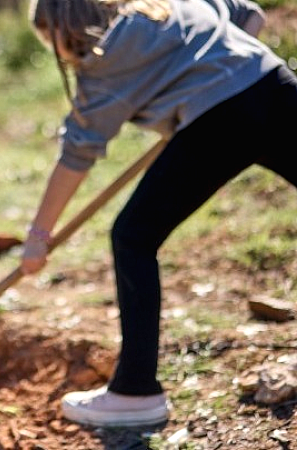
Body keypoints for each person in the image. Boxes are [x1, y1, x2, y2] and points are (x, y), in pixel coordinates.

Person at [22, 0, 295, 428]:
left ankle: (135, 393)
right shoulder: (168, 5)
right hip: (274, 82)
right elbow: (249, 14)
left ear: (63, 31)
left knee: (133, 236)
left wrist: (39, 235)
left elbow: (77, 153)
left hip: (220, 120)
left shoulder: (103, 61)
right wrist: (213, 70)